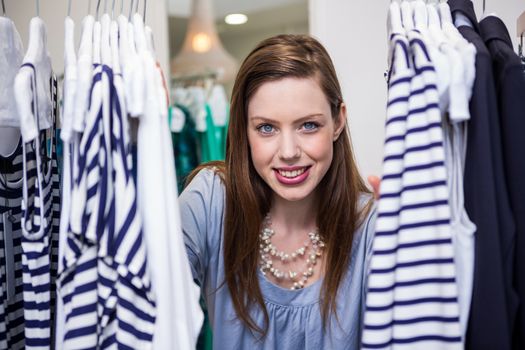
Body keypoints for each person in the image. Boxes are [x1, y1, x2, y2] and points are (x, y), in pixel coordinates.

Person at [179, 34, 379, 349]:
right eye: (266, 128)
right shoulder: (211, 199)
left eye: (308, 125)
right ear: (244, 130)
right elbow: (149, 286)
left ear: (338, 121)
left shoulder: (372, 225)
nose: (288, 152)